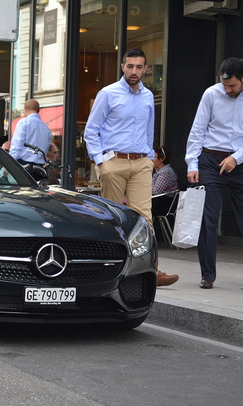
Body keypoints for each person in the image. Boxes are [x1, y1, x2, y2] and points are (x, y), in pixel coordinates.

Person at [84, 48, 178, 287]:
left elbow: (149, 130)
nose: (134, 71)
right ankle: (113, 269)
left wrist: (148, 156)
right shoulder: (108, 93)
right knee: (114, 219)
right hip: (113, 162)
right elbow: (91, 130)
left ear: (145, 69)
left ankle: (152, 270)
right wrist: (101, 161)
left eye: (139, 67)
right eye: (130, 66)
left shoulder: (148, 96)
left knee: (145, 218)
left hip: (141, 164)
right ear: (122, 67)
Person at [185, 57, 243, 290]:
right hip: (210, 160)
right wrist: (192, 164)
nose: (227, 90)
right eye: (224, 85)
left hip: (241, 162)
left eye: (232, 86)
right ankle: (207, 275)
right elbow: (198, 129)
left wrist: (236, 157)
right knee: (208, 219)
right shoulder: (211, 94)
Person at [9, 99, 51, 167]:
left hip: (24, 165)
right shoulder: (46, 127)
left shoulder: (23, 122)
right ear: (38, 110)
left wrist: (9, 163)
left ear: (25, 108)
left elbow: (16, 145)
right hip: (40, 166)